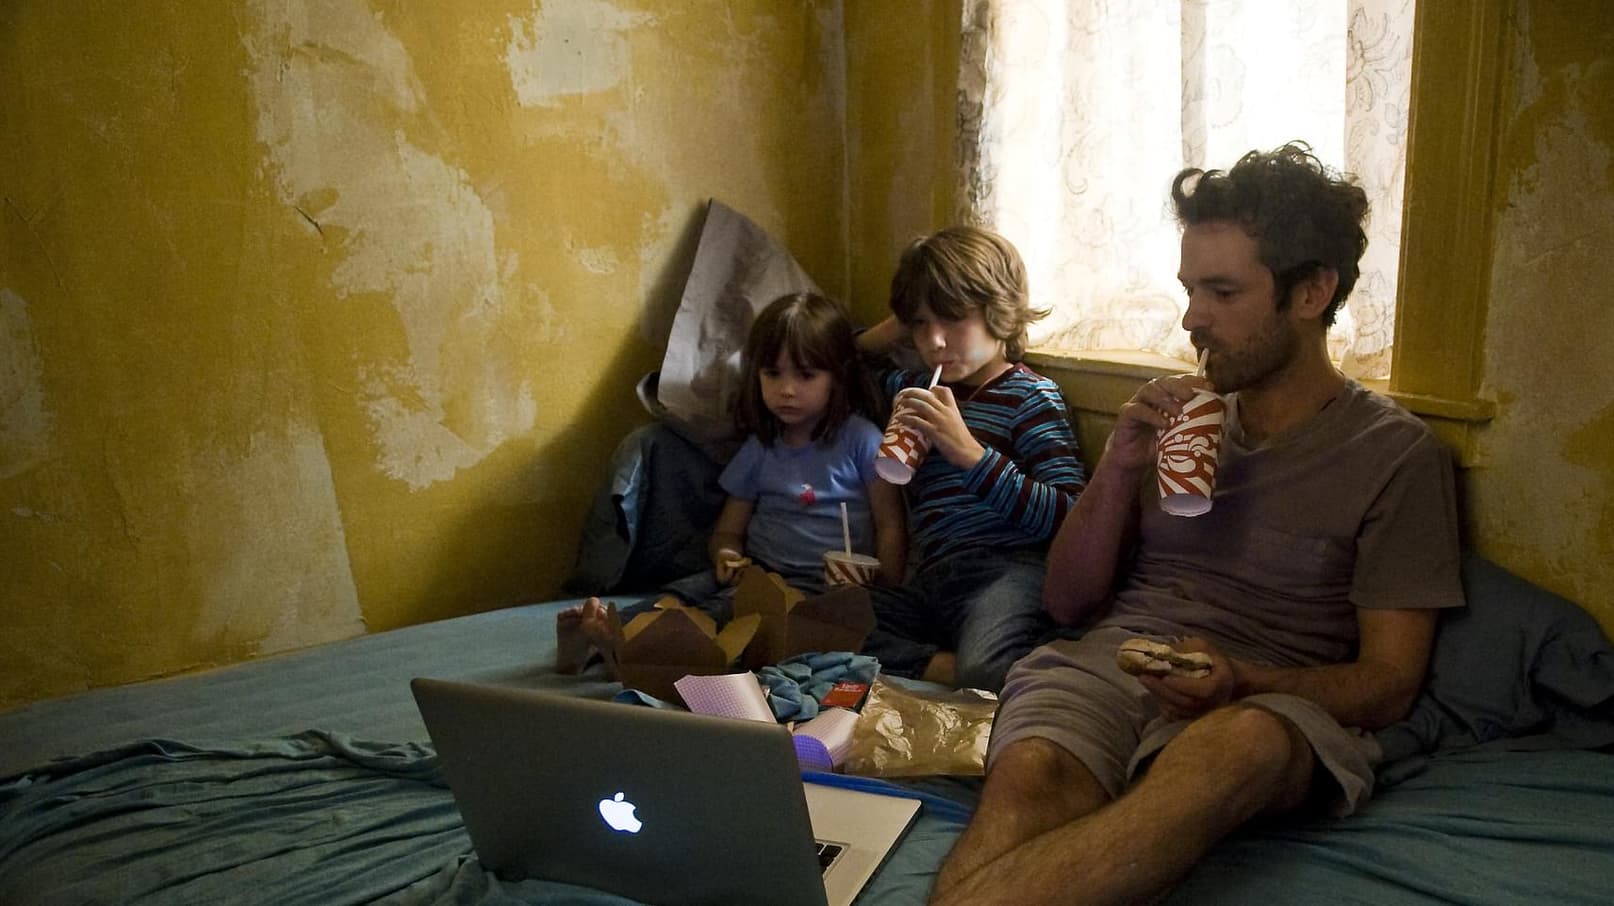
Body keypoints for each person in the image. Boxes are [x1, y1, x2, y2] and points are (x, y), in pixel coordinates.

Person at [928, 143, 1465, 906]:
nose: (1192, 320)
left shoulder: (1395, 455)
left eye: (1223, 292)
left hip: (1266, 700)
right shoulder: (1177, 422)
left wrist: (1244, 681)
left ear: (1312, 291)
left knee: (1233, 748)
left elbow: (1390, 684)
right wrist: (1119, 466)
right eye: (1189, 290)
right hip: (1116, 665)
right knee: (1031, 772)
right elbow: (1068, 603)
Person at [557, 292, 908, 671]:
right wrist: (725, 555)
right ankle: (600, 635)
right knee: (682, 594)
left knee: (727, 613)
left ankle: (630, 648)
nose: (787, 389)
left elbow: (890, 523)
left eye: (806, 375)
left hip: (820, 588)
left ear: (838, 377)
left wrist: (883, 587)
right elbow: (728, 531)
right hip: (756, 571)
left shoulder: (862, 440)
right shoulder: (761, 447)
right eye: (772, 374)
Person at [856, 226, 1086, 692]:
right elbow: (845, 359)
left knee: (986, 666)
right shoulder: (914, 387)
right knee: (819, 620)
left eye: (953, 318)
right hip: (932, 579)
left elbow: (1070, 515)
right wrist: (909, 308)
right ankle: (948, 667)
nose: (935, 341)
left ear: (999, 312)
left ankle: (976, 667)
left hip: (1007, 571)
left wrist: (971, 455)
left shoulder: (1030, 397)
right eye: (921, 324)